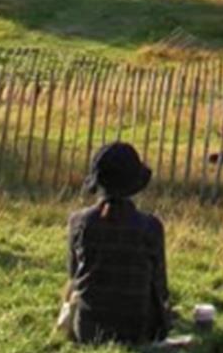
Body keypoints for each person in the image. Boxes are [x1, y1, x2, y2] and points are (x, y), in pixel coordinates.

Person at [61, 142, 172, 345]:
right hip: (140, 330)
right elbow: (160, 288)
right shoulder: (151, 226)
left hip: (88, 329)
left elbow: (74, 276)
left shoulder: (78, 222)